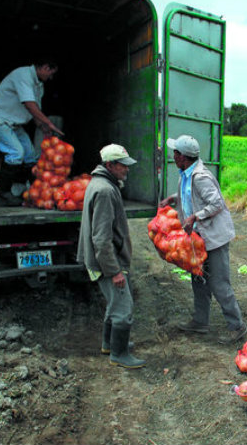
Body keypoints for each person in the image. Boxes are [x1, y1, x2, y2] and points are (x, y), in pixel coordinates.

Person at [159, 135, 247, 344]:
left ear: (182, 156)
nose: (173, 156)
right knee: (198, 278)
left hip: (214, 238)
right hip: (198, 237)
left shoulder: (201, 177)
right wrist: (173, 199)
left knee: (218, 282)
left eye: (175, 153)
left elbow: (216, 203)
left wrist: (195, 216)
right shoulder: (186, 174)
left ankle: (237, 326)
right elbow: (190, 194)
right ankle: (200, 321)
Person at [77, 144, 145, 369]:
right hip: (107, 262)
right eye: (122, 165)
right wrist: (114, 271)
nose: (126, 169)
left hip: (104, 259)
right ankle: (119, 354)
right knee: (124, 308)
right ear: (110, 165)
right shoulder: (105, 191)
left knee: (114, 303)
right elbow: (101, 238)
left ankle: (109, 343)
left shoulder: (101, 184)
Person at [0, 59, 65, 206]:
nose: (51, 77)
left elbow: (35, 113)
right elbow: (29, 105)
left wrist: (44, 127)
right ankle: (3, 194)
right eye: (51, 73)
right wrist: (49, 123)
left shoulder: (38, 85)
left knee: (30, 155)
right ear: (45, 67)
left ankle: (35, 190)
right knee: (16, 154)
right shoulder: (23, 75)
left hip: (13, 124)